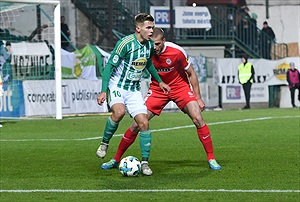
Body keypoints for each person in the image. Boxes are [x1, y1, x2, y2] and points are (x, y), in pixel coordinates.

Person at [100, 27, 222, 175]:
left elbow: (191, 73)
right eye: (152, 43)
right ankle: (116, 159)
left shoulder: (177, 51)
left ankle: (211, 158)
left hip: (179, 87)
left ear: (164, 41)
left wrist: (198, 97)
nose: (154, 47)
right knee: (137, 124)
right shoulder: (145, 50)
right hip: (158, 90)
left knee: (198, 118)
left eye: (157, 44)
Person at [96, 14, 170, 175]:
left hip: (134, 89)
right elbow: (109, 67)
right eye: (148, 27)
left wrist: (160, 81)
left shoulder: (150, 45)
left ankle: (144, 163)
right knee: (119, 112)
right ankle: (104, 143)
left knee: (144, 123)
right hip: (118, 86)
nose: (151, 31)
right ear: (138, 28)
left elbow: (149, 64)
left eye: (152, 27)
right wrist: (103, 90)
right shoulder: (125, 44)